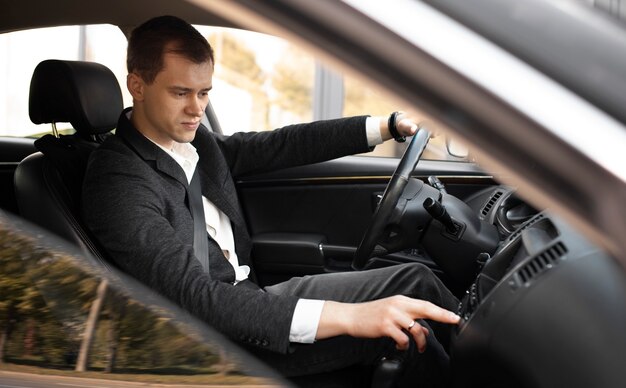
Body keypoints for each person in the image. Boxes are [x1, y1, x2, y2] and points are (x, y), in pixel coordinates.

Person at [82, 15, 460, 387]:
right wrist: (351, 317)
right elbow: (195, 298)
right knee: (403, 332)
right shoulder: (118, 180)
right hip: (213, 339)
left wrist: (386, 125)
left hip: (251, 299)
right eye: (181, 93)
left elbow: (278, 145)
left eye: (204, 93)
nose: (196, 109)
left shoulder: (192, 140)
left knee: (415, 280)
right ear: (138, 85)